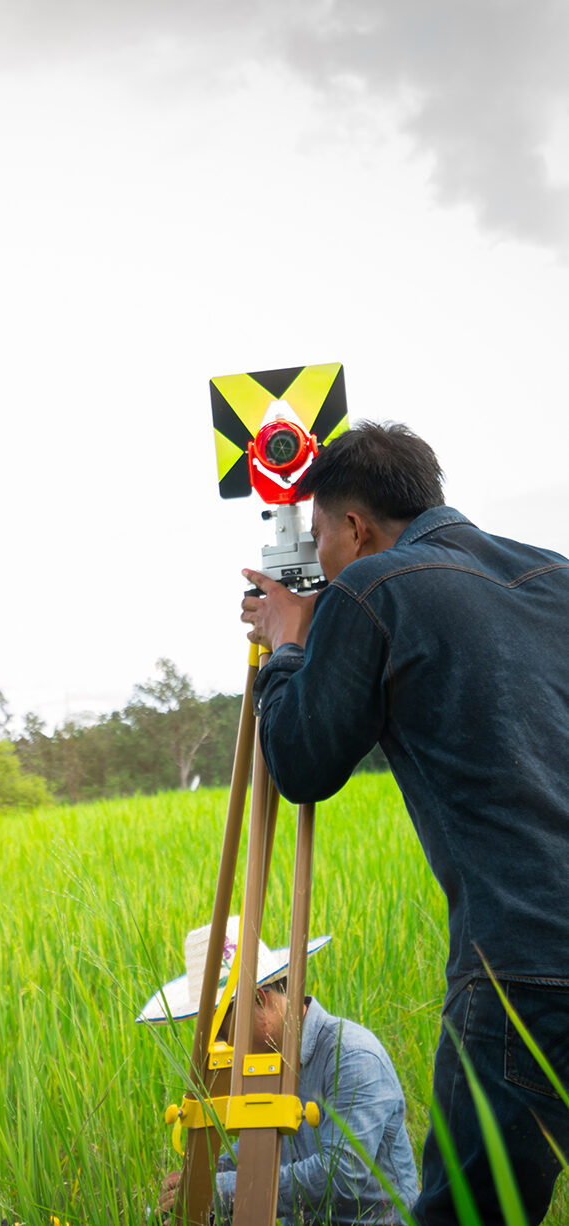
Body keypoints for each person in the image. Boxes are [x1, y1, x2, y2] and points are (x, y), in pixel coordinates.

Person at [239, 421, 569, 1225]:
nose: (317, 557)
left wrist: (287, 642)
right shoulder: (555, 576)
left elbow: (305, 764)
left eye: (317, 536)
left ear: (354, 527)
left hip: (523, 964)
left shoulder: (372, 586)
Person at [142, 917, 417, 1224]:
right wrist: (200, 1180)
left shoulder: (352, 1056)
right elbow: (256, 1149)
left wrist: (221, 1191)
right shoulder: (264, 1063)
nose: (220, 1043)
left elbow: (342, 1176)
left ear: (259, 998)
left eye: (221, 1030)